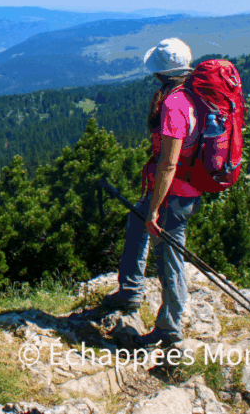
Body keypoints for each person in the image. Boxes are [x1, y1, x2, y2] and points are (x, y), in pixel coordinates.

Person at [102, 37, 204, 347]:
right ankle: (130, 292)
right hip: (187, 187)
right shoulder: (193, 94)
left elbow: (168, 163)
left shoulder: (173, 104)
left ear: (160, 72)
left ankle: (170, 327)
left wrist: (156, 209)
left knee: (169, 254)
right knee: (136, 221)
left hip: (174, 193)